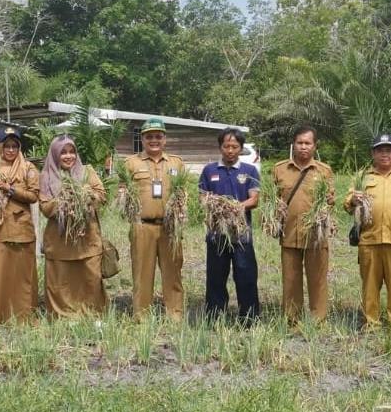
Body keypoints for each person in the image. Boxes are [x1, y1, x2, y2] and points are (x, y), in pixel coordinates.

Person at [345, 133, 391, 328]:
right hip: (369, 240)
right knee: (370, 286)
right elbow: (347, 204)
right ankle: (371, 323)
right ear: (373, 153)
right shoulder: (362, 177)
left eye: (389, 150)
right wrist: (353, 199)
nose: (384, 154)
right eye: (380, 150)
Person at [120, 118, 188, 322]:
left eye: (158, 136)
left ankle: (175, 314)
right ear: (142, 139)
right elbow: (123, 190)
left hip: (170, 227)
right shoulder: (131, 163)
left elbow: (183, 192)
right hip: (142, 226)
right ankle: (142, 316)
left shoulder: (176, 162)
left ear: (165, 139)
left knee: (173, 272)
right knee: (142, 273)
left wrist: (181, 209)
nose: (154, 140)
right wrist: (124, 201)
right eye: (149, 136)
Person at [0, 126, 40, 326]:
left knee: (22, 277)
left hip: (21, 230)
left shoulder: (28, 168)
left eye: (15, 146)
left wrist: (10, 189)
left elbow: (34, 196)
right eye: (7, 146)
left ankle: (23, 319)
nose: (11, 150)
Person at [272, 125, 336, 324]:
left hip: (316, 236)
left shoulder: (324, 171)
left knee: (317, 280)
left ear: (315, 146)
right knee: (290, 281)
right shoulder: (280, 169)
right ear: (293, 144)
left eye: (308, 143)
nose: (303, 147)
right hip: (289, 234)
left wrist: (325, 212)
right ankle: (292, 320)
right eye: (299, 143)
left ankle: (318, 321)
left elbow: (331, 201)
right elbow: (272, 199)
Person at [39, 135, 108, 317]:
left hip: (87, 237)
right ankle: (63, 316)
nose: (69, 156)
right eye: (63, 153)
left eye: (72, 152)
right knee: (61, 281)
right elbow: (45, 207)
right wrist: (63, 201)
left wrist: (85, 195)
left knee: (90, 276)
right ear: (55, 155)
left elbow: (102, 195)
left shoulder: (87, 172)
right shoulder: (46, 176)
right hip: (59, 240)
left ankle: (92, 314)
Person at [199, 127, 261, 324]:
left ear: (241, 149)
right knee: (216, 277)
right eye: (226, 146)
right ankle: (215, 318)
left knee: (246, 276)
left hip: (241, 234)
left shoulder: (249, 171)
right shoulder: (209, 170)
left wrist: (235, 207)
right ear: (220, 147)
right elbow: (202, 197)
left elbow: (255, 199)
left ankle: (249, 319)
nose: (230, 150)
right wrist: (214, 205)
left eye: (235, 146)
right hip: (217, 234)